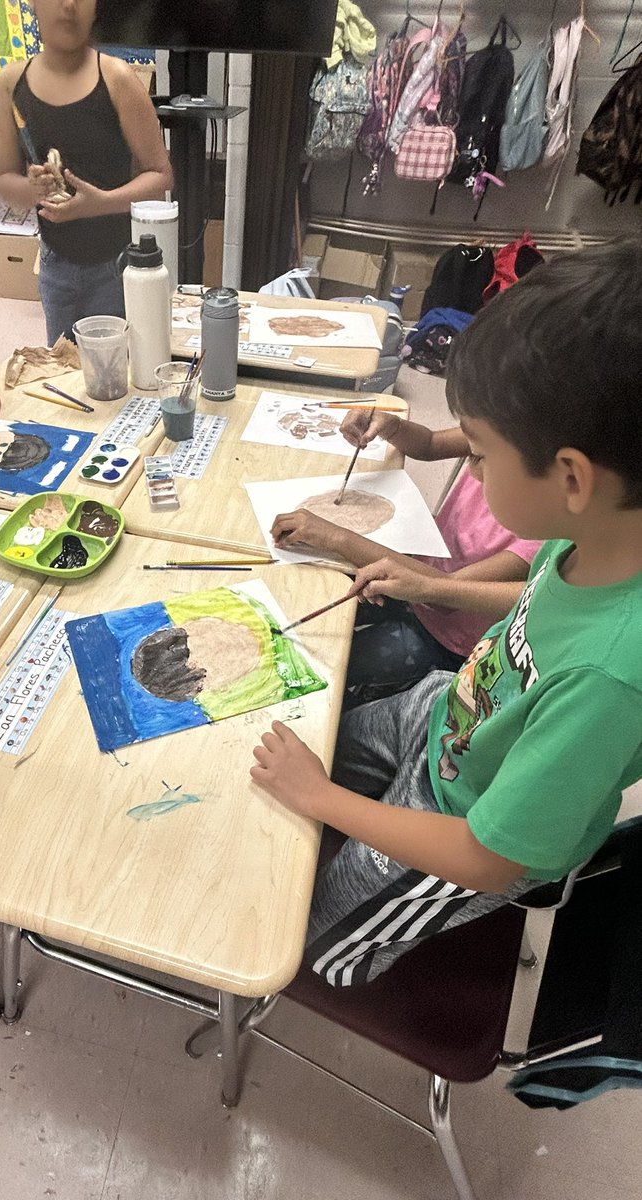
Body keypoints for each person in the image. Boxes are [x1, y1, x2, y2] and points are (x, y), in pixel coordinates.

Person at [252, 238, 642, 988]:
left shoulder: (610, 678)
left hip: (470, 829)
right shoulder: (594, 533)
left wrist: (320, 798)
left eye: (484, 455)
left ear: (571, 478)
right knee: (314, 729)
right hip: (453, 718)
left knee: (306, 942)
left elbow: (487, 857)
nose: (471, 463)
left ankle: (321, 953)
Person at [271, 413, 542, 706]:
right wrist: (393, 426)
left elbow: (443, 594)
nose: (469, 465)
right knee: (297, 613)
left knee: (324, 664)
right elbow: (430, 443)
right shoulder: (498, 431)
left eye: (477, 457)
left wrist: (337, 538)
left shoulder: (541, 535)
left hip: (445, 638)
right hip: (411, 581)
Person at [0, 0, 173, 342]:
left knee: (119, 374)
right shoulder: (10, 85)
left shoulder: (117, 78)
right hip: (55, 262)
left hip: (116, 267)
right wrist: (34, 190)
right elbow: (2, 181)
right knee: (64, 370)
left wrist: (99, 202)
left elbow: (160, 177)